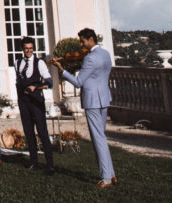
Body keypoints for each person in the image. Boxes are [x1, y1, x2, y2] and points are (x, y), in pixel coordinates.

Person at [50, 27, 116, 188]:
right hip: (104, 98)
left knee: (98, 138)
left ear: (91, 39)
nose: (80, 44)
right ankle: (111, 174)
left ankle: (106, 177)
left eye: (82, 41)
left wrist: (62, 70)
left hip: (93, 100)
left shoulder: (90, 58)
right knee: (101, 137)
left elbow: (78, 83)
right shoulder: (106, 54)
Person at [14, 36, 54, 173]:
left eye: (31, 49)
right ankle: (33, 161)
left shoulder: (40, 63)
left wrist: (35, 88)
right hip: (24, 102)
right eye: (26, 49)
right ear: (22, 49)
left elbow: (49, 83)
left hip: (36, 101)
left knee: (42, 132)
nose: (29, 51)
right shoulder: (17, 63)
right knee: (28, 132)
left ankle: (50, 164)